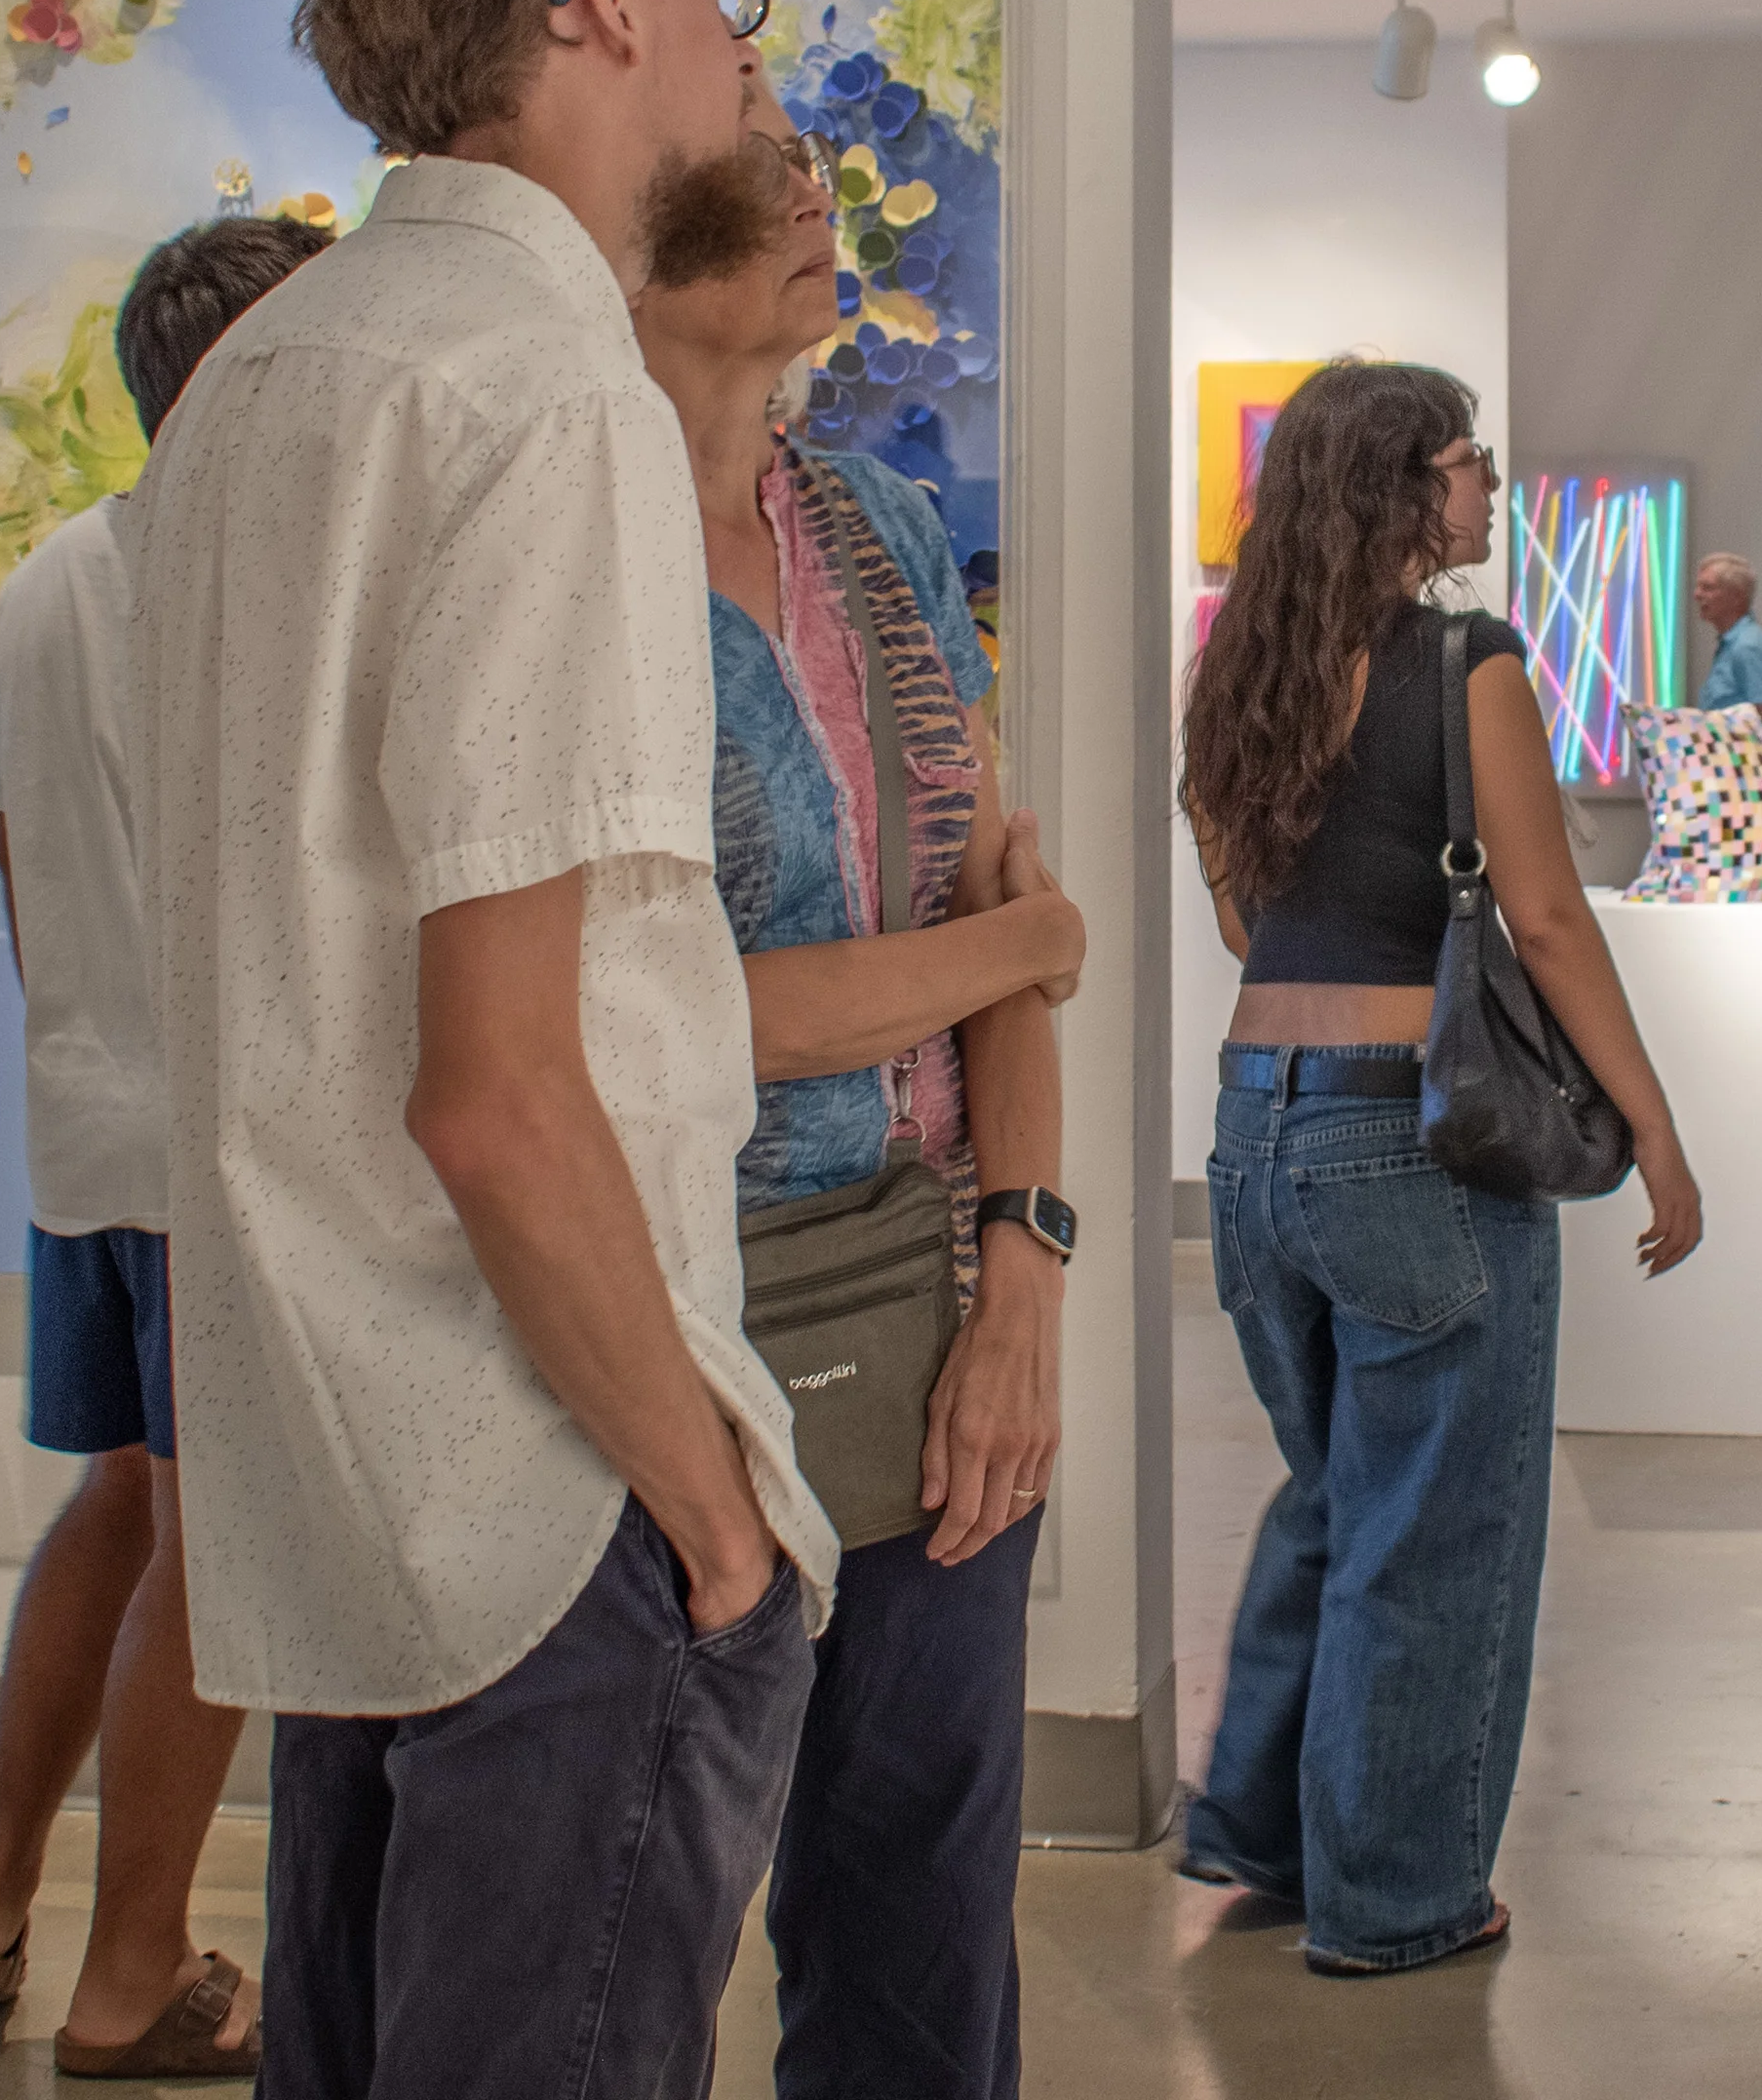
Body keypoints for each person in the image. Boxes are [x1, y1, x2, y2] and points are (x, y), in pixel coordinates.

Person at [131, 0, 838, 2100]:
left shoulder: (264, 378)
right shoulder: (546, 393)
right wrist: (713, 1508)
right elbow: (502, 1084)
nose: (743, 32)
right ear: (589, 2)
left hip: (345, 1484)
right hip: (544, 1493)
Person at [633, 105, 1085, 2100]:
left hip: (930, 1293)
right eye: (756, 176)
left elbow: (987, 918)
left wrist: (1030, 1280)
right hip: (654, 1306)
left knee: (917, 1928)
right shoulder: (575, 552)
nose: (811, 196)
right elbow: (692, 1020)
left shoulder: (880, 531)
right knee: (619, 1933)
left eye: (821, 174)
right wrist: (1019, 940)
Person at [1177, 362, 1706, 1975]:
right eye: (1466, 464)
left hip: (1259, 1122)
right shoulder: (1466, 660)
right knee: (1439, 1528)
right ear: (1405, 487)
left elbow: (1237, 923)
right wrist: (1658, 1131)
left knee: (1342, 1491)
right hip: (1409, 1133)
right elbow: (1544, 920)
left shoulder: (1236, 670)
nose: (1485, 489)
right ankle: (1397, 1897)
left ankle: (1266, 1832)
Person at [0, 216, 327, 2080]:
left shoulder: (44, 583)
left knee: (128, 1504)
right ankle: (133, 1972)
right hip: (218, 1150)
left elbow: (22, 868)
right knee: (215, 1543)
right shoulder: (242, 589)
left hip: (88, 1124)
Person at [1692, 551, 1762, 758]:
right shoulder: (1730, 645)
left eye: (1708, 588)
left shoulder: (1747, 648)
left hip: (1744, 778)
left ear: (1737, 597)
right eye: (1698, 586)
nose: (1697, 594)